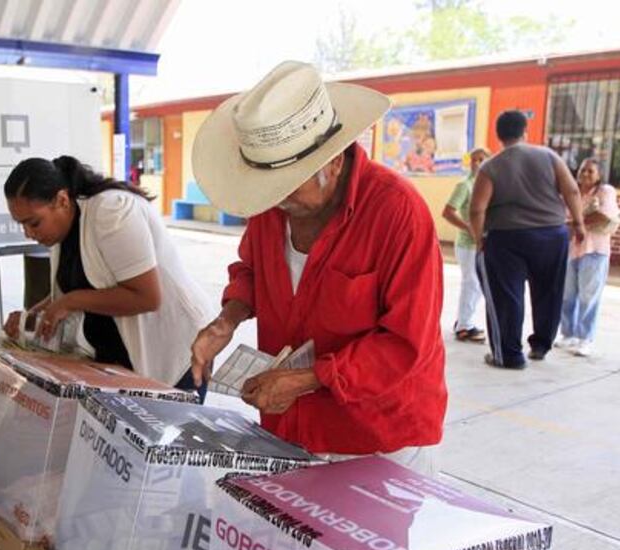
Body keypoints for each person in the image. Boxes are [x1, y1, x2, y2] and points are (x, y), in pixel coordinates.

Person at [189, 61, 447, 474]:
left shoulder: (397, 211)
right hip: (289, 428)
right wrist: (227, 320)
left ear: (332, 162)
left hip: (376, 438)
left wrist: (307, 379)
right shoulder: (272, 204)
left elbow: (404, 344)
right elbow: (251, 271)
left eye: (289, 188)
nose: (277, 203)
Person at [2, 156, 215, 395]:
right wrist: (34, 315)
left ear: (62, 200)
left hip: (174, 353)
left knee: (166, 430)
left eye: (34, 223)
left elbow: (147, 297)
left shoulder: (111, 211)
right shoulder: (64, 229)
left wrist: (70, 302)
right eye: (21, 225)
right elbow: (82, 286)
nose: (28, 233)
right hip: (118, 361)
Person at [469, 110, 585, 369]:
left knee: (506, 297)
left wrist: (479, 239)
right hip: (551, 235)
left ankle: (509, 355)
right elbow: (572, 190)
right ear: (525, 131)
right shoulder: (548, 156)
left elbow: (477, 209)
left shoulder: (491, 167)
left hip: (506, 239)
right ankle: (541, 345)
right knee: (549, 291)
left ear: (499, 136)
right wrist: (578, 223)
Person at [558, 158, 620, 357]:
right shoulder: (572, 192)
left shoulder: (605, 191)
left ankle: (585, 338)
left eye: (590, 171)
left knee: (589, 296)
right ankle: (568, 334)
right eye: (583, 170)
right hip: (572, 250)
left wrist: (576, 223)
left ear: (599, 175)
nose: (585, 174)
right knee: (568, 295)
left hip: (595, 250)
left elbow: (605, 216)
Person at [442, 147, 490, 343]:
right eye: (474, 160)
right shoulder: (465, 185)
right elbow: (448, 212)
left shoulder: (487, 184)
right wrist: (468, 227)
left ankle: (464, 320)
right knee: (471, 283)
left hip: (481, 242)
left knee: (475, 284)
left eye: (481, 160)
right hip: (467, 244)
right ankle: (464, 326)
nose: (477, 163)